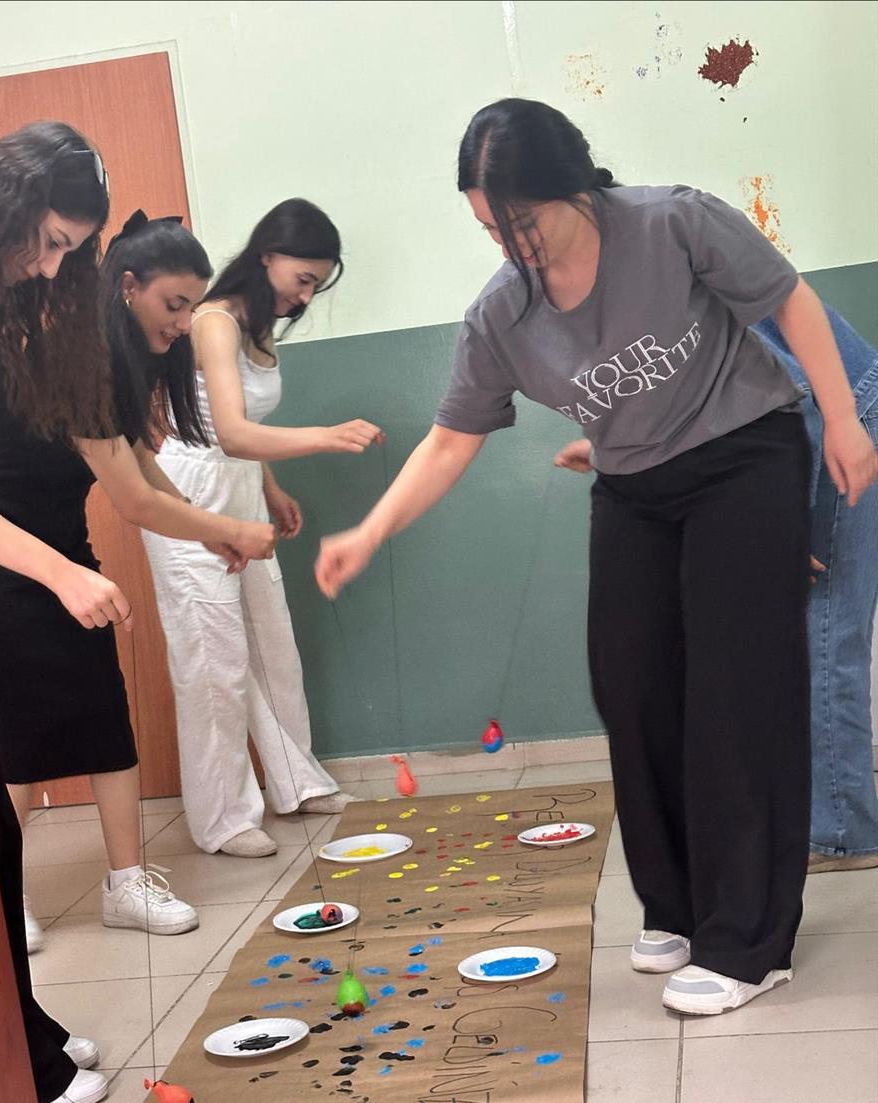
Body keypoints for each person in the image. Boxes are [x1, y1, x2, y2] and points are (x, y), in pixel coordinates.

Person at [314, 99, 878, 1017]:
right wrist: (370, 530)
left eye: (522, 222)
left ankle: (749, 943)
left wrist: (845, 420)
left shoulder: (672, 222)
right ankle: (680, 909)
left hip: (746, 459)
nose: (512, 246)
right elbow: (451, 440)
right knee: (633, 685)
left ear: (573, 185)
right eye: (490, 230)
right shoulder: (502, 313)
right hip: (634, 488)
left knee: (737, 693)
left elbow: (790, 300)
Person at [0, 124, 272, 1103]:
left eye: (70, 250)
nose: (51, 265)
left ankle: (19, 1029)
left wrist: (214, 531)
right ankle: (12, 1059)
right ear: (3, 207)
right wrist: (60, 574)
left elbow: (133, 481)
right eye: (48, 241)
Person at [18, 208, 266, 952]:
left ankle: (126, 883)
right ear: (128, 287)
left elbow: (140, 464)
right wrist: (228, 529)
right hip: (6, 547)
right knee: (19, 732)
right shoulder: (80, 353)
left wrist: (206, 526)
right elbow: (132, 501)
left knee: (102, 710)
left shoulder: (122, 363)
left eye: (194, 307)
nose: (186, 323)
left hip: (63, 540)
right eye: (174, 305)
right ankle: (1, 893)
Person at [141, 199, 382, 858]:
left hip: (241, 488)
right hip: (189, 495)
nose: (305, 296)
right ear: (267, 256)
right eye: (302, 279)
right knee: (212, 661)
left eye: (315, 285)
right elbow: (231, 429)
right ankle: (222, 819)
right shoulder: (214, 320)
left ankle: (297, 783)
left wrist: (270, 487)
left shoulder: (259, 324)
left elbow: (242, 432)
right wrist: (326, 437)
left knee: (273, 645)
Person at [753, 310, 878, 871]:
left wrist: (788, 524)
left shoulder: (674, 281)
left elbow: (792, 394)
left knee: (825, 632)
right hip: (833, 408)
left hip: (836, 416)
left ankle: (842, 833)